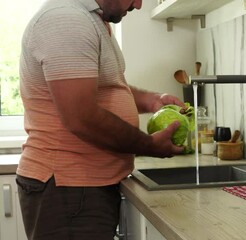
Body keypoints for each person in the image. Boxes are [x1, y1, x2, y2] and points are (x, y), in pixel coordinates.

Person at [17, 0, 185, 239]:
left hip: (80, 188)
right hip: (68, 187)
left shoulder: (92, 19)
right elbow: (82, 117)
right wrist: (150, 146)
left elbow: (103, 88)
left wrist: (151, 100)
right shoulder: (66, 19)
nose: (138, 5)